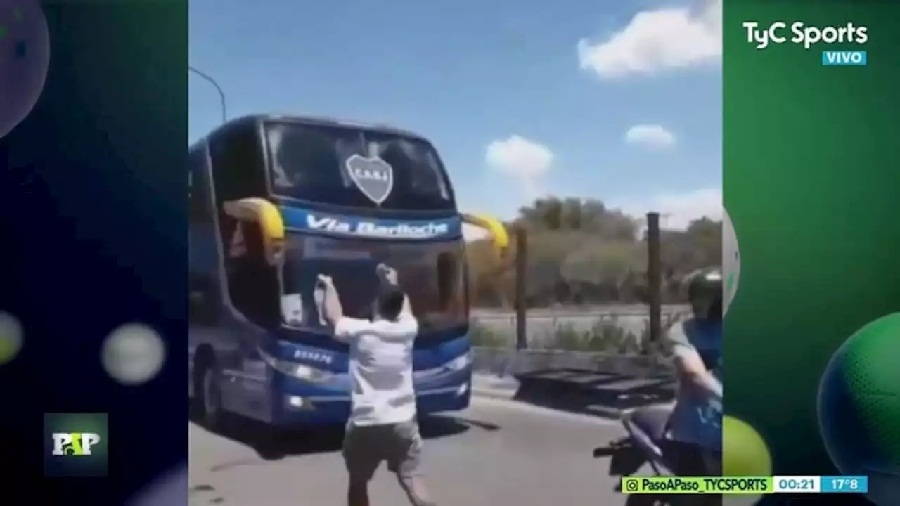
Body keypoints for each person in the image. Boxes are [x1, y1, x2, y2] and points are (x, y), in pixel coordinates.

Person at [317, 264, 435, 506]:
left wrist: (328, 286)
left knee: (358, 483)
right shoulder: (408, 329)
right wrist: (392, 282)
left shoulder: (362, 332)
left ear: (376, 306)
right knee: (412, 476)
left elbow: (333, 317)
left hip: (366, 422)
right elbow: (404, 307)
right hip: (403, 420)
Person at [663, 268, 723, 496]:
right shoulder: (685, 330)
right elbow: (694, 373)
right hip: (699, 432)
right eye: (699, 297)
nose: (702, 304)